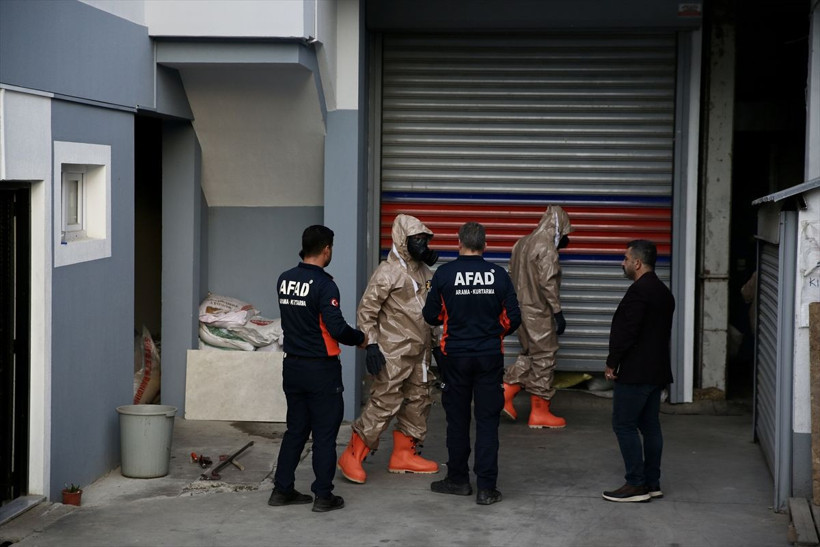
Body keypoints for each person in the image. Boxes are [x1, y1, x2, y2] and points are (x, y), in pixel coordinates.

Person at [422, 221, 521, 505]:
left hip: (455, 357)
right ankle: (487, 488)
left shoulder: (444, 274)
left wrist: (454, 320)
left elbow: (431, 315)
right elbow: (514, 317)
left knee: (458, 420)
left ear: (459, 242)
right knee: (488, 422)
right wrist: (495, 331)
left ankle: (457, 480)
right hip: (490, 356)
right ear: (484, 245)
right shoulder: (499, 275)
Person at [268, 225, 365, 513]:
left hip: (293, 367)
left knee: (296, 430)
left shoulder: (284, 280)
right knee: (324, 433)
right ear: (326, 249)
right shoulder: (325, 284)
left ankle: (281, 490)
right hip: (321, 370)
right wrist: (360, 339)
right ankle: (323, 496)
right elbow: (335, 327)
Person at [338, 214, 441, 483]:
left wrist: (438, 345)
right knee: (384, 402)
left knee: (419, 400)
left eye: (425, 239)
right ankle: (352, 455)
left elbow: (431, 311)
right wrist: (370, 344)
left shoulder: (424, 272)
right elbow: (367, 310)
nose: (423, 244)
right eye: (417, 239)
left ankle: (404, 454)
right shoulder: (387, 272)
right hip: (393, 352)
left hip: (420, 353)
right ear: (403, 240)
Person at [602, 239, 675, 503]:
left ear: (637, 262)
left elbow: (627, 333)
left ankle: (635, 484)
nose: (622, 263)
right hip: (656, 371)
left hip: (636, 372)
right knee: (650, 426)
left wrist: (612, 362)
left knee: (623, 424)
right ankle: (652, 482)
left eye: (625, 259)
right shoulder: (663, 292)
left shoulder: (639, 292)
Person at [502, 205, 573, 428]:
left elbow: (510, 274)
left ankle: (504, 394)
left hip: (519, 311)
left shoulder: (521, 243)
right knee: (544, 357)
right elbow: (547, 282)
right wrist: (558, 312)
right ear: (558, 228)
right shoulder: (547, 249)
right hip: (538, 313)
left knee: (530, 354)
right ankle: (540, 412)